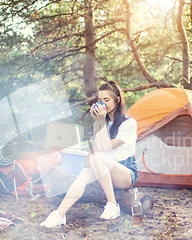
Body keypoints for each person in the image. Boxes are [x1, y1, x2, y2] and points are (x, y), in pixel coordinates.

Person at [40, 80, 138, 228]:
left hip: (124, 173)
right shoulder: (99, 122)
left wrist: (100, 122)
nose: (102, 104)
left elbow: (105, 147)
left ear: (117, 100)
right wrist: (99, 122)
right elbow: (98, 147)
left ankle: (112, 204)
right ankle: (59, 214)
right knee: (86, 172)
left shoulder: (129, 123)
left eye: (107, 100)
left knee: (95, 158)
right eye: (100, 100)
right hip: (102, 172)